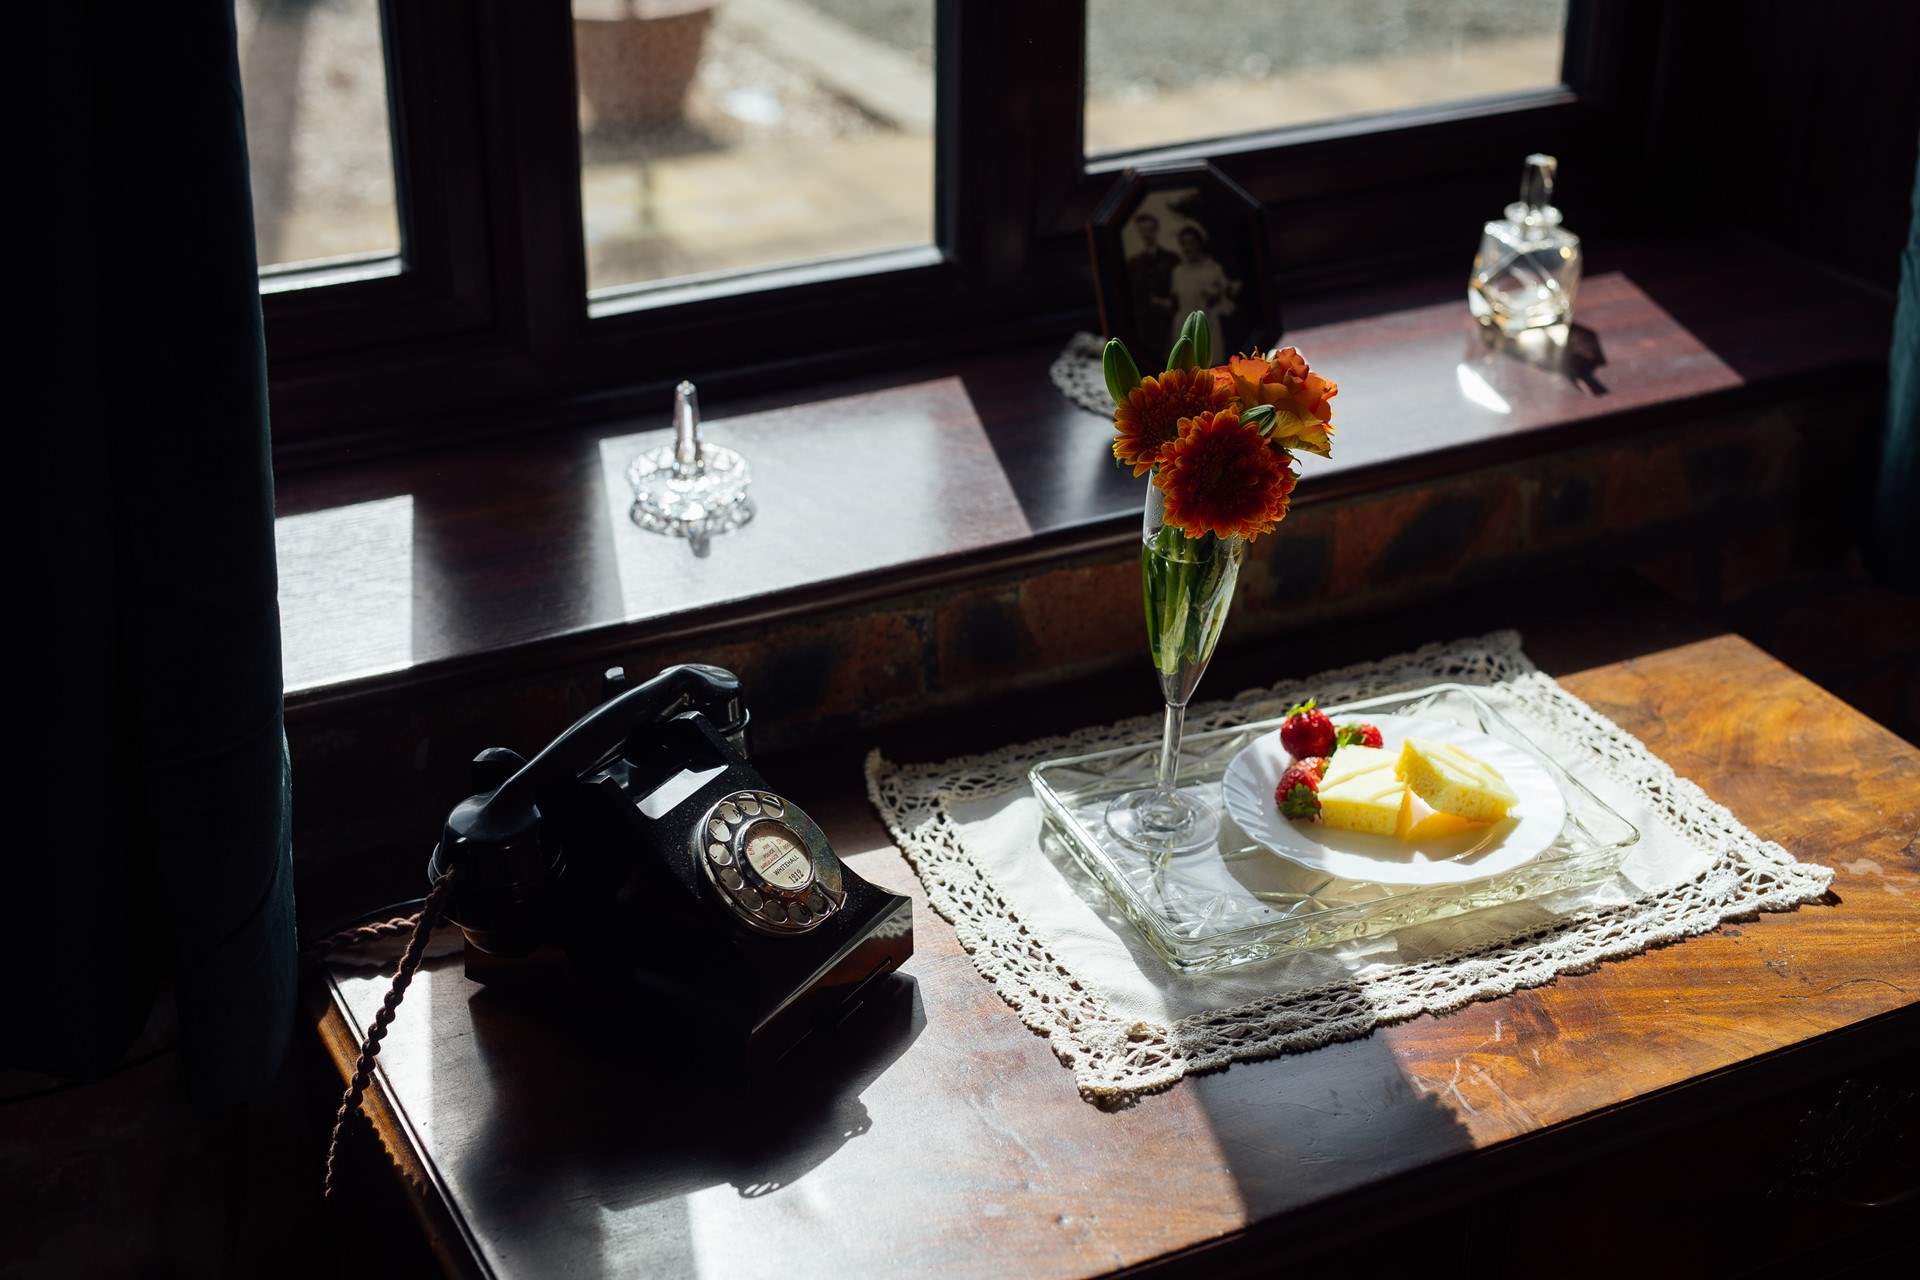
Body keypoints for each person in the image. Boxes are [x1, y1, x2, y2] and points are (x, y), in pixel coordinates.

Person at [1169, 225, 1240, 356]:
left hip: (1208, 324)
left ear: (1199, 244)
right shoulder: (1177, 272)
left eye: (1191, 243)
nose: (1188, 248)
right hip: (1183, 324)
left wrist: (1215, 295)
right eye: (1184, 244)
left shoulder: (1213, 268)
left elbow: (1226, 298)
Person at [1126, 213, 1179, 357]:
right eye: (1143, 230)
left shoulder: (1172, 259)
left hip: (1168, 318)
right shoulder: (1134, 263)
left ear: (1156, 230)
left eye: (1149, 229)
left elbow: (1180, 287)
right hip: (1145, 321)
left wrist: (1170, 303)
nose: (1146, 234)